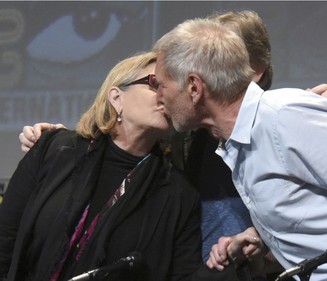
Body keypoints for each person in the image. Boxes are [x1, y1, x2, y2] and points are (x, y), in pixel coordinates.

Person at [152, 17, 327, 281]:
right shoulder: (238, 143)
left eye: (161, 85)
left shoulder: (284, 116)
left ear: (194, 87)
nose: (158, 97)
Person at [0, 52, 203, 281]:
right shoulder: (54, 149)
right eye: (155, 84)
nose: (165, 96)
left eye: (171, 88)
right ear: (116, 98)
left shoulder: (179, 194)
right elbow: (5, 238)